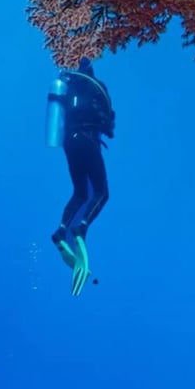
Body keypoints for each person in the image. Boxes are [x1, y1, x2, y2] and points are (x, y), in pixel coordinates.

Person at [45, 57, 115, 295]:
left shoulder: (69, 87)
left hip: (69, 144)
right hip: (87, 141)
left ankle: (60, 230)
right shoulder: (97, 87)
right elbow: (108, 122)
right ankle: (80, 228)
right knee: (102, 193)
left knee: (79, 192)